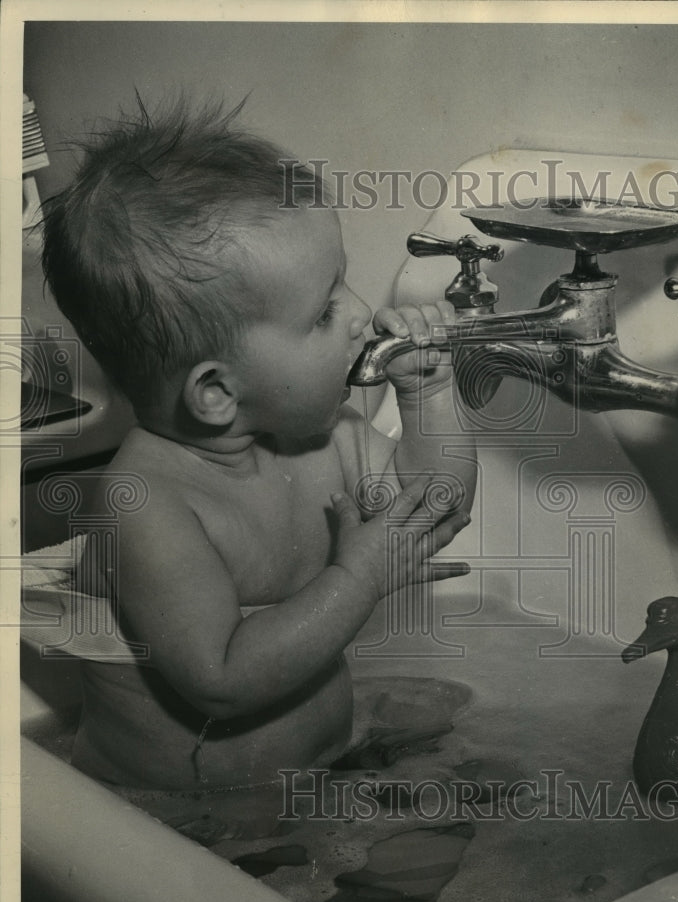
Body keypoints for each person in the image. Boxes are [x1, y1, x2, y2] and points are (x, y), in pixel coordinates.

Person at [40, 99, 476, 808]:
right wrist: (357, 577)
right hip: (185, 822)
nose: (361, 311)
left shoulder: (315, 436)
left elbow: (433, 508)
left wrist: (429, 395)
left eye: (343, 279)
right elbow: (221, 679)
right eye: (322, 311)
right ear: (215, 393)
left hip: (317, 775)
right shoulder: (146, 506)